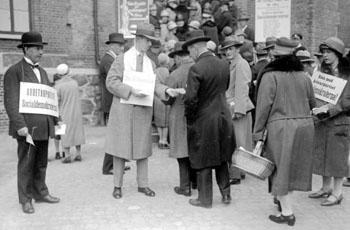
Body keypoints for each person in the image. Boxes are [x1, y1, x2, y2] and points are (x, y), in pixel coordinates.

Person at [104, 23, 181, 199]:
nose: (150, 45)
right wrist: (129, 89)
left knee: (142, 149)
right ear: (139, 40)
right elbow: (111, 81)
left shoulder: (150, 63)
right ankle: (117, 185)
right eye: (148, 41)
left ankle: (143, 184)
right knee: (119, 149)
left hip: (142, 112)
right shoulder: (122, 59)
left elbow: (155, 84)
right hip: (123, 110)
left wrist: (166, 91)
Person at [254, 37, 316, 226]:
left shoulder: (269, 76)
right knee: (294, 168)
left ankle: (287, 213)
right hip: (305, 126)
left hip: (281, 128)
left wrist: (257, 134)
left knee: (280, 170)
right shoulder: (305, 76)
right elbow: (312, 103)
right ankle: (284, 205)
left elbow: (263, 107)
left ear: (274, 55)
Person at [3, 31, 60, 214]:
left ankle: (41, 192)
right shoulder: (14, 71)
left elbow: (48, 99)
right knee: (26, 164)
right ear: (26, 49)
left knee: (42, 162)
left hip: (43, 126)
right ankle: (26, 199)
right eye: (36, 48)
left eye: (41, 48)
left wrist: (56, 121)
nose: (41, 52)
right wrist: (19, 125)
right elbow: (11, 101)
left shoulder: (42, 72)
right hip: (26, 128)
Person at [184, 30, 235, 208]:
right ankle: (226, 194)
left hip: (204, 119)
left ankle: (204, 199)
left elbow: (191, 99)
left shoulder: (196, 68)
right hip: (223, 116)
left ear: (195, 48)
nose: (190, 55)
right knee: (221, 156)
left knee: (203, 157)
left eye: (189, 51)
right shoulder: (223, 64)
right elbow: (225, 87)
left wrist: (190, 119)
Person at [309, 37, 350, 206]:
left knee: (337, 158)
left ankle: (338, 192)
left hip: (339, 121)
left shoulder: (347, 74)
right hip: (322, 121)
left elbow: (347, 101)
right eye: (323, 52)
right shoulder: (321, 73)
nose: (324, 55)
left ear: (338, 54)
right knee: (322, 155)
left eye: (328, 52)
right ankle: (326, 188)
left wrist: (328, 109)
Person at [220, 36, 254, 185]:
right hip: (233, 106)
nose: (228, 52)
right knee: (237, 141)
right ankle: (239, 171)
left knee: (237, 141)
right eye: (226, 49)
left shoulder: (241, 64)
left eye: (231, 49)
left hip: (238, 108)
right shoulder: (232, 64)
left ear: (237, 49)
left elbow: (242, 88)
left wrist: (239, 109)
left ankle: (236, 173)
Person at [165, 42, 197, 196]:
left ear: (178, 57)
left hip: (179, 115)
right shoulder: (198, 69)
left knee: (181, 152)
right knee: (193, 150)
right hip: (197, 114)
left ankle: (184, 186)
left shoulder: (175, 75)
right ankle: (195, 182)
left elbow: (167, 99)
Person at [100, 33, 126, 175]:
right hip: (111, 102)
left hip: (113, 101)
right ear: (112, 45)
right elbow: (117, 79)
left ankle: (116, 164)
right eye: (119, 45)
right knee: (114, 135)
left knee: (118, 134)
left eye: (122, 45)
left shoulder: (111, 59)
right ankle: (108, 166)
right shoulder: (108, 60)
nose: (121, 48)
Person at [53, 64, 86, 163]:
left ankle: (67, 155)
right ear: (68, 72)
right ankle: (78, 153)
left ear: (59, 74)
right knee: (77, 131)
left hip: (64, 112)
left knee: (63, 132)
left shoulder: (58, 86)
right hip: (76, 111)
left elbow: (56, 101)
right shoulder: (74, 83)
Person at [153, 53, 171, 149]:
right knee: (166, 121)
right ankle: (164, 140)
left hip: (157, 98)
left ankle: (160, 140)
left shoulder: (155, 71)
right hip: (166, 96)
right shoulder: (167, 72)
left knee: (159, 120)